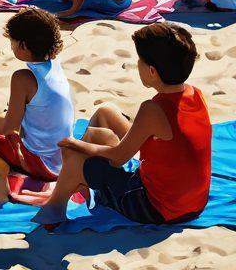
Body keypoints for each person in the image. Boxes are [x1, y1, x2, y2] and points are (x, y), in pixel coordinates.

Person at [34, 23, 212, 229]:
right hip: (193, 204)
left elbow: (119, 157)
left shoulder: (153, 110)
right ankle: (77, 182)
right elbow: (158, 137)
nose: (138, 64)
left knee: (75, 155)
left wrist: (77, 145)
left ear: (152, 71)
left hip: (158, 209)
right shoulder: (194, 93)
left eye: (140, 61)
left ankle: (54, 209)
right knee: (106, 112)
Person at [0, 9, 74, 204]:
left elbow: (9, 128)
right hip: (64, 159)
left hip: (42, 163)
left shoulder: (22, 78)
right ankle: (9, 165)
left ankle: (3, 171)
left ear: (22, 45)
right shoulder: (55, 66)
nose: (11, 46)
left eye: (13, 42)